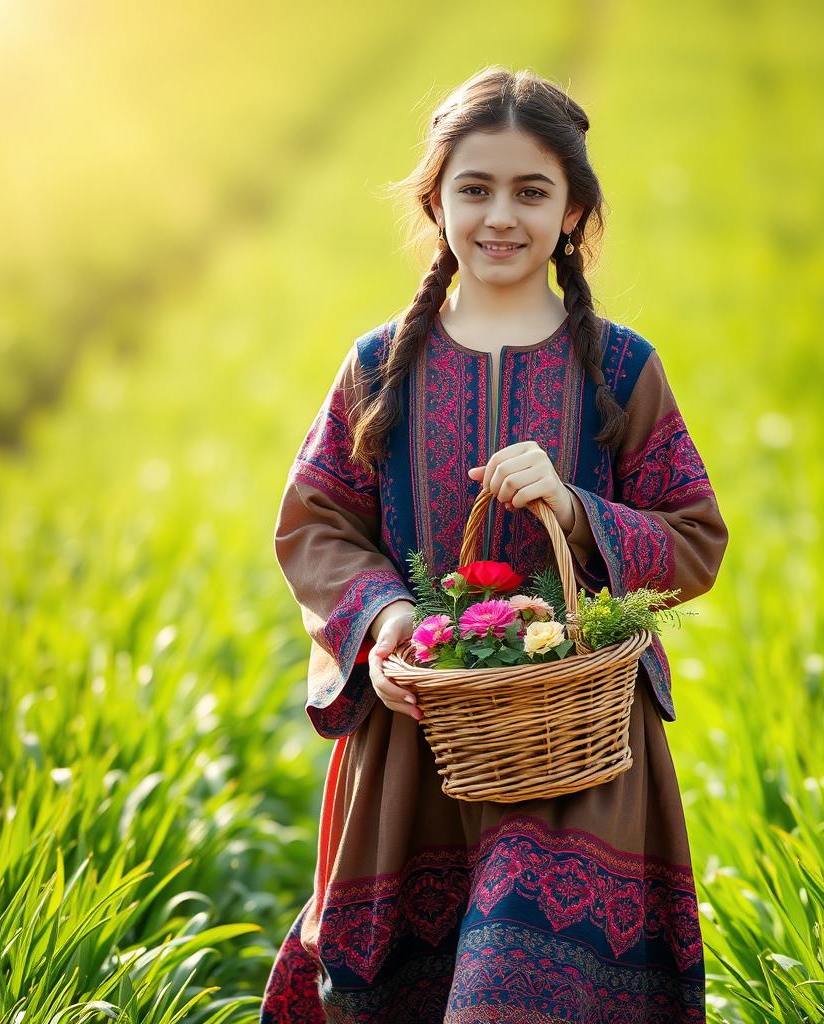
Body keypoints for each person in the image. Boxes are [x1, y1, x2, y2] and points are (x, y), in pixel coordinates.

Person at [260, 65, 728, 1024]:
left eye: (532, 190)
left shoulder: (623, 369)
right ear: (437, 201)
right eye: (475, 189)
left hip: (584, 757)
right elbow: (316, 526)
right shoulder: (378, 367)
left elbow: (694, 538)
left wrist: (578, 509)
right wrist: (386, 620)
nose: (500, 215)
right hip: (415, 754)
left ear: (573, 211)